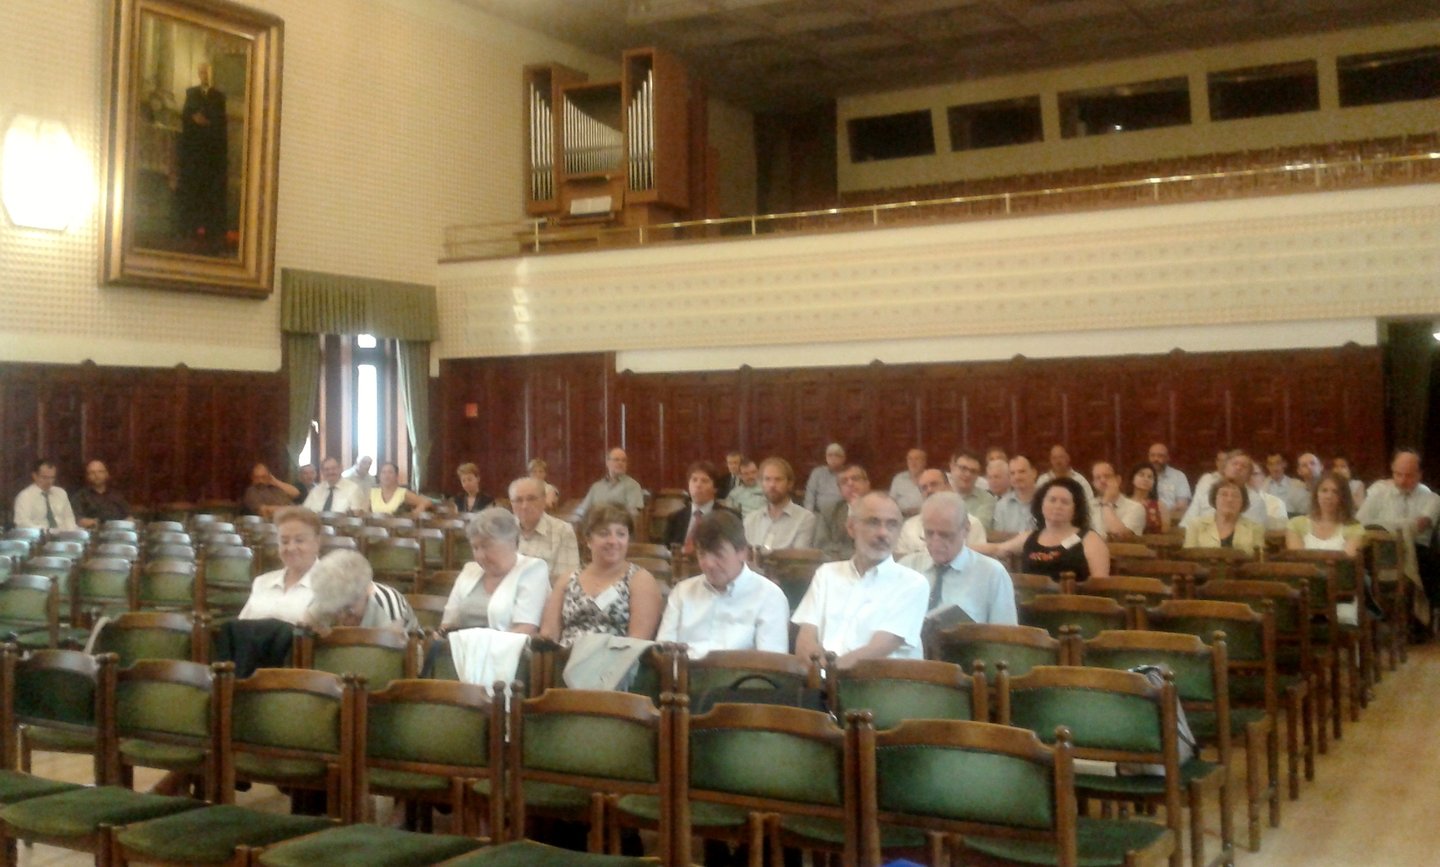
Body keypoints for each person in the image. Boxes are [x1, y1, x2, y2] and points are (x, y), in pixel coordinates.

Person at [792, 492, 929, 665]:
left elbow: (879, 648)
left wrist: (830, 672)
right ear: (851, 527)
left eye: (892, 525)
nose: (883, 533)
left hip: (878, 679)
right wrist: (817, 669)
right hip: (822, 676)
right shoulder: (826, 574)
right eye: (873, 522)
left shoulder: (912, 583)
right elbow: (806, 637)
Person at [656, 511, 790, 658]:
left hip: (741, 671)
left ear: (742, 552)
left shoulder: (769, 596)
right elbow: (663, 652)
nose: (709, 564)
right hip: (684, 670)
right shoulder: (682, 592)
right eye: (702, 554)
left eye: (718, 554)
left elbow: (771, 663)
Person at [540, 505, 663, 647]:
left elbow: (637, 642)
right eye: (604, 534)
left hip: (617, 657)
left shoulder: (640, 580)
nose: (613, 541)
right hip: (565, 657)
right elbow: (548, 635)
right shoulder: (567, 579)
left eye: (621, 534)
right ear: (588, 540)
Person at [900, 492, 1016, 625]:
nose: (935, 542)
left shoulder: (992, 574)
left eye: (945, 535)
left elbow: (1005, 633)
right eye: (929, 533)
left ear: (966, 529)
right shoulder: (906, 567)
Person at [980, 477, 1110, 582]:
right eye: (1052, 500)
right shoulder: (1029, 537)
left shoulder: (1090, 539)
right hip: (1030, 604)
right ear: (1041, 504)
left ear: (1075, 509)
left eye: (1065, 502)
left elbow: (1101, 586)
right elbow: (998, 549)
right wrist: (967, 548)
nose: (1057, 506)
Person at [442, 507, 550, 633]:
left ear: (512, 542)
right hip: (460, 644)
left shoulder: (533, 570)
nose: (480, 556)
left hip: (508, 645)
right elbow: (448, 623)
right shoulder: (470, 570)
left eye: (486, 546)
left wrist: (480, 644)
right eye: (475, 548)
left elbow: (525, 629)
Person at [1357, 449, 1440, 607]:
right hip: (1378, 551)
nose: (1402, 481)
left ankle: (1423, 615)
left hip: (1417, 551)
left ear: (1419, 475)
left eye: (1408, 476)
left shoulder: (1432, 499)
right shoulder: (1378, 495)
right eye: (1398, 474)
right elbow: (1359, 523)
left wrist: (1384, 525)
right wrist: (1400, 526)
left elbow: (1419, 526)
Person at [238, 507, 321, 623]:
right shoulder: (262, 582)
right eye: (284, 542)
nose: (291, 548)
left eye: (299, 540)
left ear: (317, 542)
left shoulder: (332, 586)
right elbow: (241, 626)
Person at [176, 61, 227, 250]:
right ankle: (190, 228)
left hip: (211, 153)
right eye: (201, 72)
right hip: (194, 152)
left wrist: (208, 123)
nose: (204, 75)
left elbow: (221, 123)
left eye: (207, 72)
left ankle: (210, 231)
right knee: (193, 190)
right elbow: (185, 117)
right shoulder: (191, 93)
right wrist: (193, 119)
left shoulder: (219, 97)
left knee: (210, 192)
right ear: (199, 74)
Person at [306, 549, 417, 633]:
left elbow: (390, 652)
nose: (342, 617)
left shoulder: (388, 603)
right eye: (336, 610)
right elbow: (303, 630)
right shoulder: (328, 594)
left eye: (348, 609)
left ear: (367, 591)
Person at [894, 468, 987, 558]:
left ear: (948, 487)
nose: (929, 490)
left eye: (934, 484)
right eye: (924, 488)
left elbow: (978, 560)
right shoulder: (909, 526)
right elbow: (901, 561)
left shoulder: (972, 524)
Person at [509, 477, 581, 586]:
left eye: (531, 499)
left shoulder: (563, 531)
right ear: (511, 503)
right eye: (518, 500)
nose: (524, 506)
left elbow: (567, 581)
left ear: (544, 500)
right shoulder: (502, 528)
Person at [742, 457, 816, 551]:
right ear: (761, 483)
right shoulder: (750, 520)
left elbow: (798, 557)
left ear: (789, 484)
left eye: (778, 479)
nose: (772, 485)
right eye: (767, 479)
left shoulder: (805, 518)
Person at [1181, 450, 1269, 529]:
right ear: (1225, 468)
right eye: (1234, 464)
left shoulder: (1255, 500)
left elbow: (1251, 531)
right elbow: (1187, 523)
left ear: (1249, 475)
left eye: (1244, 466)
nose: (1238, 468)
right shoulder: (1206, 491)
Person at [663, 461, 738, 553]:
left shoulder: (729, 517)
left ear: (715, 488)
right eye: (694, 480)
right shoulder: (675, 518)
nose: (698, 485)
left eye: (704, 481)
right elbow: (667, 552)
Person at [1286, 472, 1364, 557]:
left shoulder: (1354, 527)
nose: (1329, 496)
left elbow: (1346, 559)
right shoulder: (1296, 524)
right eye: (1324, 491)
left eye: (1335, 492)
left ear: (1344, 497)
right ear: (1316, 494)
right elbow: (1298, 559)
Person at [1183, 479, 1264, 556]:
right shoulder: (1196, 526)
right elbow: (1189, 557)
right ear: (1215, 499)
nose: (1229, 499)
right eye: (1224, 494)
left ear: (1243, 502)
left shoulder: (1255, 528)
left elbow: (1258, 560)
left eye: (1235, 496)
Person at [814, 464, 869, 561]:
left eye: (855, 479)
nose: (850, 483)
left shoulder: (884, 510)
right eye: (844, 481)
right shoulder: (829, 511)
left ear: (867, 484)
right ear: (840, 490)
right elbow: (822, 546)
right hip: (837, 564)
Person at [574, 448, 643, 520]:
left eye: (624, 460)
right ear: (607, 462)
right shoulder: (597, 487)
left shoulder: (632, 485)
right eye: (616, 460)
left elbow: (633, 513)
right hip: (596, 523)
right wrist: (574, 519)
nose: (620, 463)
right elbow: (583, 509)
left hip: (618, 523)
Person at [12, 459, 77, 530]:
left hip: (63, 533)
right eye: (45, 477)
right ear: (34, 476)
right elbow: (22, 523)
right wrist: (46, 531)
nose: (49, 481)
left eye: (52, 477)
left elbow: (69, 517)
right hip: (39, 534)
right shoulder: (25, 496)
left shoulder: (61, 493)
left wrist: (71, 532)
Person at [1090, 461, 1146, 540]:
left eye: (1107, 476)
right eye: (1097, 478)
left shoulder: (1136, 508)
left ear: (1118, 480)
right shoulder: (1087, 506)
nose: (1102, 480)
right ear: (1094, 484)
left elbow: (1119, 534)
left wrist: (1106, 503)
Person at [71, 460, 132, 528]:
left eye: (100, 472)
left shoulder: (116, 495)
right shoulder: (80, 496)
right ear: (87, 476)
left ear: (107, 474)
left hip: (118, 530)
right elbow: (78, 520)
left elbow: (129, 516)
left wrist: (127, 523)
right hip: (93, 531)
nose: (97, 475)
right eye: (92, 472)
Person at [948, 449, 996, 530]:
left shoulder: (986, 499)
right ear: (952, 467)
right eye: (963, 468)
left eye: (973, 471)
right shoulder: (938, 495)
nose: (968, 474)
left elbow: (979, 527)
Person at [302, 457, 368, 515]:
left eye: (334, 468)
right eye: (326, 469)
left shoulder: (353, 489)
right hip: (316, 524)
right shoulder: (316, 490)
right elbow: (304, 512)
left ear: (340, 469)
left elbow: (356, 515)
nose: (330, 472)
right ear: (322, 472)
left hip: (342, 525)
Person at [991, 455, 1038, 534]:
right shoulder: (1001, 505)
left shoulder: (1047, 500)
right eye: (1012, 473)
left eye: (1022, 472)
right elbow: (999, 537)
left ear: (1034, 473)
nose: (1017, 477)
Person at [1148, 442, 1192, 513]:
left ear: (1167, 458)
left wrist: (1164, 515)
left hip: (1173, 517)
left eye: (1160, 456)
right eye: (1152, 455)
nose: (1156, 459)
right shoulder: (1142, 476)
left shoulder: (1178, 476)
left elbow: (1182, 505)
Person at [1128, 462, 1171, 534]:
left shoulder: (1160, 506)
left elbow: (1165, 531)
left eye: (1150, 477)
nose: (1146, 479)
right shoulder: (1123, 502)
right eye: (1141, 475)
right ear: (1132, 479)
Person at [803, 442, 847, 514]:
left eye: (837, 455)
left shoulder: (848, 473)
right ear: (826, 457)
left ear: (843, 458)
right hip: (819, 513)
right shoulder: (817, 472)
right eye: (830, 455)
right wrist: (808, 514)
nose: (833, 458)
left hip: (841, 513)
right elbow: (810, 495)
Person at [888, 448, 927, 516]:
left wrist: (920, 510)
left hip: (924, 515)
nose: (913, 462)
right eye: (910, 459)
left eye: (917, 459)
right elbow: (891, 502)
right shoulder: (898, 479)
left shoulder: (931, 478)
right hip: (902, 516)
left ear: (924, 462)